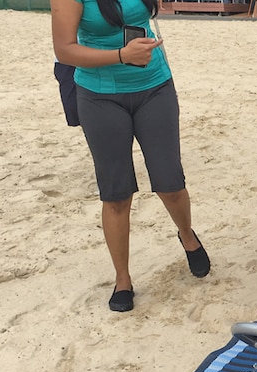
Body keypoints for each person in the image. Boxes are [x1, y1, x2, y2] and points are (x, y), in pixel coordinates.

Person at [51, 0, 210, 312]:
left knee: (171, 184)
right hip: (99, 95)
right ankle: (122, 278)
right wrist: (121, 55)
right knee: (116, 194)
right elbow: (65, 50)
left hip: (154, 87)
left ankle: (188, 236)